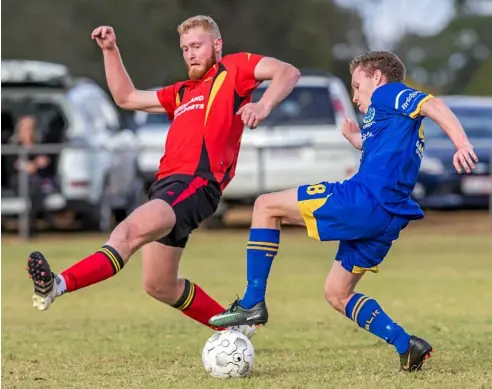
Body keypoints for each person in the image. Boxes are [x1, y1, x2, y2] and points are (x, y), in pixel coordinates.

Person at [27, 15, 300, 339]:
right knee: (159, 284)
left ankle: (55, 285)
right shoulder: (182, 92)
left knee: (126, 232)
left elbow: (287, 72)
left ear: (216, 44)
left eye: (197, 46)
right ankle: (236, 327)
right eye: (185, 48)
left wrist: (264, 104)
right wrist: (111, 50)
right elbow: (127, 97)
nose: (190, 54)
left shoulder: (233, 70)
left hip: (195, 184)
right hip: (167, 189)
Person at [208, 51, 478, 370]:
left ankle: (253, 302)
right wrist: (358, 140)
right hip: (388, 218)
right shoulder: (392, 119)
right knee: (337, 293)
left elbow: (434, 105)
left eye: (357, 85)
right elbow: (386, 149)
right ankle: (407, 345)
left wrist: (461, 144)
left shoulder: (388, 92)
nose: (355, 95)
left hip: (364, 199)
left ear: (376, 76)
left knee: (265, 206)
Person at [10, 115, 52, 237]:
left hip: (35, 183)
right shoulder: (13, 146)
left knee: (37, 186)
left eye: (31, 128)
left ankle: (29, 224)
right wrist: (34, 164)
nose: (28, 131)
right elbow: (18, 166)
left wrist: (39, 164)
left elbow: (44, 165)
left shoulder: (38, 146)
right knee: (36, 186)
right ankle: (33, 224)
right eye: (25, 128)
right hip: (18, 182)